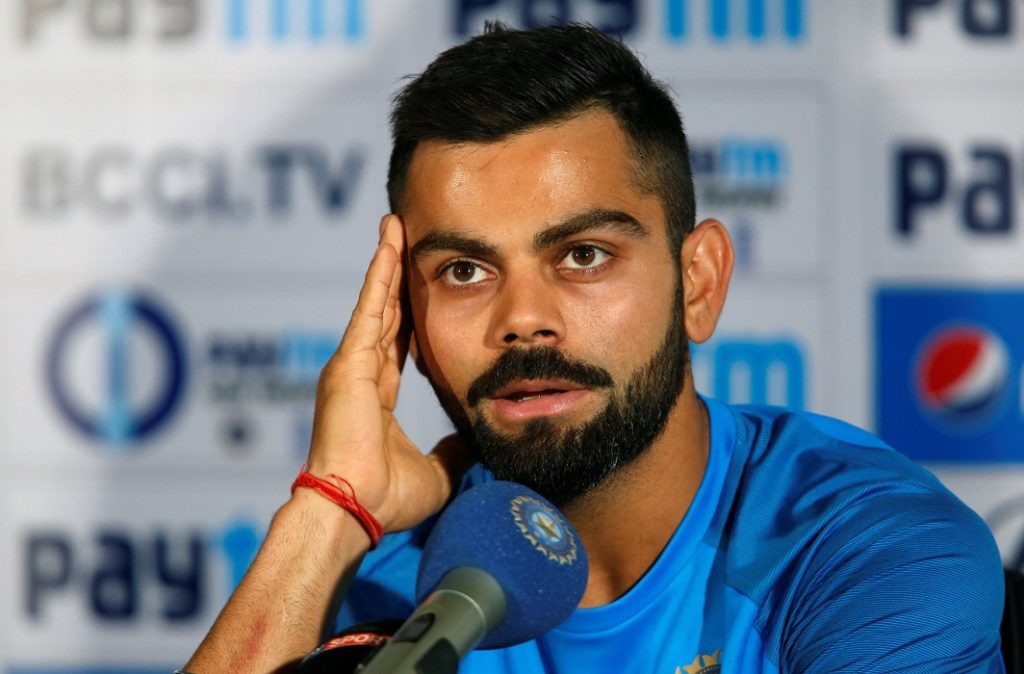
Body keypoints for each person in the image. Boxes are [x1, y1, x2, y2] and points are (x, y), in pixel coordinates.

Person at [184, 23, 1006, 673]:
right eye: (466, 270)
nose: (524, 319)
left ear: (701, 282)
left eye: (582, 255)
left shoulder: (867, 547)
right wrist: (332, 510)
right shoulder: (390, 588)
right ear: (407, 321)